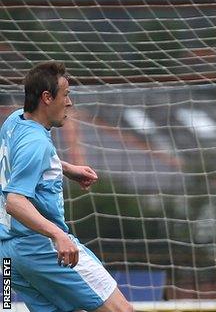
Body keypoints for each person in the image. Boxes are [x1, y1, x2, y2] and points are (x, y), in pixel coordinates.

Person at [0, 61, 134, 311]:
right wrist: (59, 235)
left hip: (9, 256)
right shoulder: (36, 143)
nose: (70, 102)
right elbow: (15, 202)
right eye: (67, 94)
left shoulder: (14, 121)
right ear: (47, 97)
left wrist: (65, 168)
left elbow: (20, 162)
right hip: (41, 248)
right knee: (121, 310)